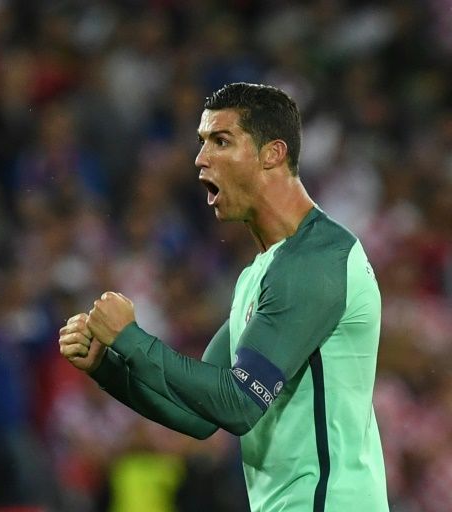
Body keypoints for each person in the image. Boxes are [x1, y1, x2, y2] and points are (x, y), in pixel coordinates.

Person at [58, 82, 389, 511]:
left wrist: (131, 338)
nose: (200, 158)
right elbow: (198, 415)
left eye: (221, 141)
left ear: (273, 153)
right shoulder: (263, 272)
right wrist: (106, 365)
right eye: (201, 143)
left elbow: (239, 404)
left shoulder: (315, 262)